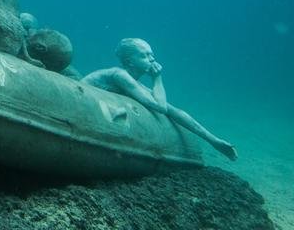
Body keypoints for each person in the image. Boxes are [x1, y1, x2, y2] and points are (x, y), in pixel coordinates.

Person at [83, 38, 237, 160]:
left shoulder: (135, 84)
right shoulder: (119, 75)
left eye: (152, 55)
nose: (151, 59)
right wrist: (157, 79)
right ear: (130, 61)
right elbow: (160, 108)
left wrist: (213, 140)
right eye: (144, 55)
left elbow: (173, 111)